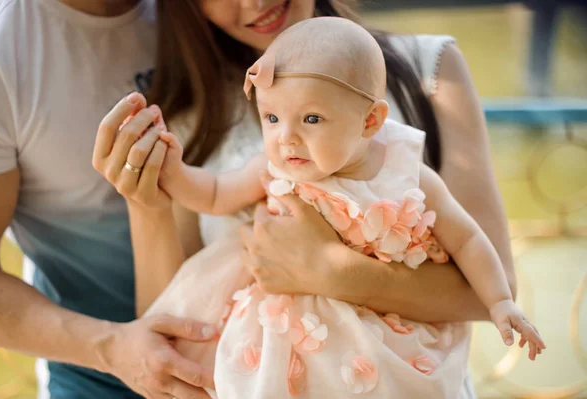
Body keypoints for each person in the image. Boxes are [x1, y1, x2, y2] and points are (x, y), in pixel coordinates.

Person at [94, 0, 521, 398]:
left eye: (313, 119)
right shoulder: (194, 123)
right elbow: (172, 330)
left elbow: (489, 281)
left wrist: (332, 271)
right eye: (272, 118)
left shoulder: (427, 77)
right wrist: (157, 190)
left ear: (371, 120)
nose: (255, 2)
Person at [0, 1, 218, 398]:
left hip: (254, 354)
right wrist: (113, 348)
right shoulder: (0, 54)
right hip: (97, 373)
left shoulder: (207, 10)